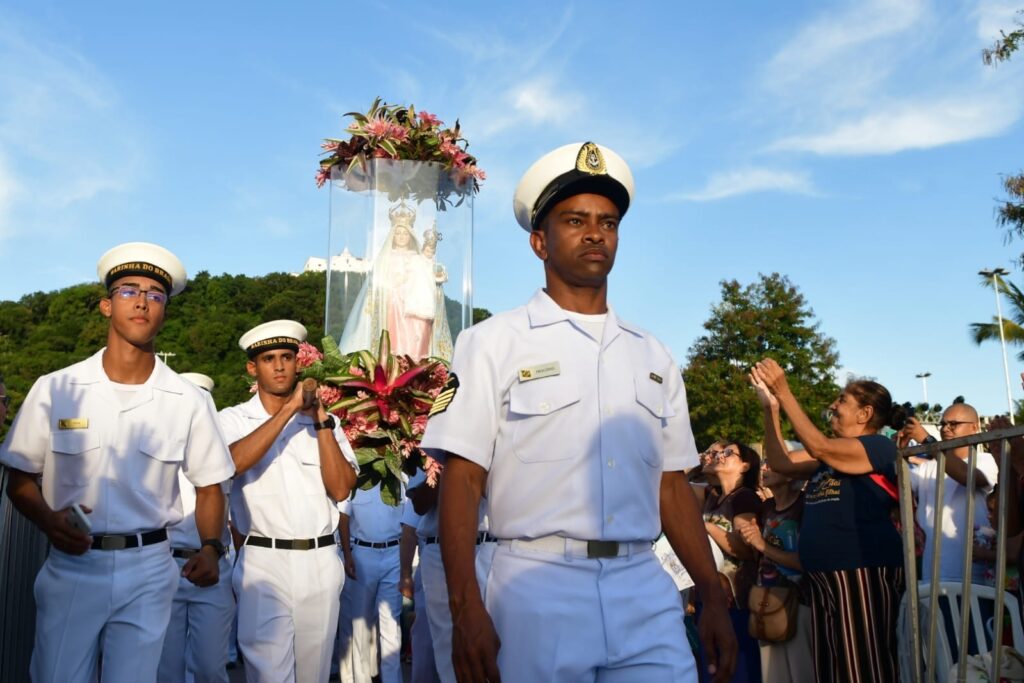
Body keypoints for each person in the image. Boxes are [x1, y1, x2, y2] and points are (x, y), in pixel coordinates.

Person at [421, 141, 736, 682]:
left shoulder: (652, 354)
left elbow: (672, 486)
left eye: (608, 223)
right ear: (539, 242)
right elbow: (463, 480)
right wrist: (464, 607)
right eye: (576, 221)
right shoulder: (491, 344)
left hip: (643, 585)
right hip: (535, 587)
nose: (596, 234)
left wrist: (711, 593)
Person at [0, 242, 235, 683]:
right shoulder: (56, 388)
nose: (143, 300)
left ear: (164, 311)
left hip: (149, 566)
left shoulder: (188, 400)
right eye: (129, 290)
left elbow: (210, 485)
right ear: (107, 306)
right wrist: (48, 521)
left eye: (155, 294)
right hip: (73, 564)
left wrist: (210, 546)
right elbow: (20, 475)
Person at [751, 359, 905, 683]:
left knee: (864, 668)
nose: (833, 406)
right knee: (833, 671)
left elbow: (818, 445)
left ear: (865, 414)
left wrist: (784, 389)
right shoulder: (828, 457)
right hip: (824, 577)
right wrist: (771, 408)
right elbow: (780, 461)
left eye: (843, 401)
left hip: (860, 573)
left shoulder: (878, 446)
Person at [220, 320, 358, 683]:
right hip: (264, 562)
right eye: (268, 359)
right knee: (269, 675)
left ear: (299, 363)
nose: (280, 366)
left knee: (313, 675)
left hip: (320, 559)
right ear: (253, 367)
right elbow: (231, 463)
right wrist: (286, 413)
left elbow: (342, 489)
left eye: (287, 357)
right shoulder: (233, 419)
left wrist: (320, 422)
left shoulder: (327, 424)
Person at [158, 372, 236, 683]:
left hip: (214, 564)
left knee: (210, 667)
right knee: (167, 670)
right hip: (167, 564)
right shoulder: (159, 455)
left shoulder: (223, 457)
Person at [901, 402, 997, 583]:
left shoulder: (986, 460)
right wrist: (900, 452)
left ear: (975, 427)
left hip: (974, 575)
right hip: (933, 574)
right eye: (943, 424)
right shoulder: (929, 466)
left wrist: (928, 442)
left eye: (954, 424)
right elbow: (898, 487)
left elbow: (967, 477)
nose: (946, 429)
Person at [737, 459, 814, 682]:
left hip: (798, 604)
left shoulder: (806, 506)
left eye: (772, 465)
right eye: (763, 464)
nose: (764, 469)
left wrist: (762, 545)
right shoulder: (766, 508)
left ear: (791, 474)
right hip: (767, 601)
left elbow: (805, 561)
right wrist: (750, 539)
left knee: (802, 673)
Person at [699, 441, 762, 682]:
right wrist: (702, 462)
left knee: (735, 671)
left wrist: (705, 527)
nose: (719, 456)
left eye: (728, 453)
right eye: (716, 453)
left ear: (745, 465)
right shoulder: (712, 496)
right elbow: (673, 483)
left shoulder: (743, 498)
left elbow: (745, 548)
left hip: (736, 604)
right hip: (712, 601)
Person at [340, 202, 437, 360]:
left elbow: (427, 274)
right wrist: (395, 283)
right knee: (395, 320)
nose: (401, 237)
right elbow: (379, 280)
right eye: (398, 233)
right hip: (393, 301)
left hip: (414, 303)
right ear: (393, 235)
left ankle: (415, 360)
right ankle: (395, 358)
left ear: (410, 235)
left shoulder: (416, 256)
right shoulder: (386, 256)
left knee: (417, 330)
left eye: (404, 234)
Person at [336, 483, 406, 683]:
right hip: (363, 554)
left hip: (394, 552)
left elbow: (407, 516)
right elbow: (344, 517)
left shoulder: (398, 474)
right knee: (361, 627)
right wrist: (348, 555)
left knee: (391, 626)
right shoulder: (356, 476)